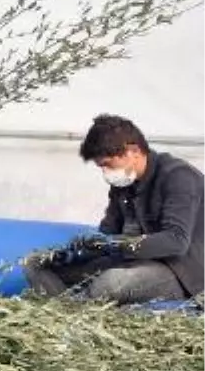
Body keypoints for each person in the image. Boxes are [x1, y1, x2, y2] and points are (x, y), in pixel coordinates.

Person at [24, 115, 205, 304]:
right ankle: (63, 311)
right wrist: (82, 248)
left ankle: (72, 315)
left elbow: (176, 241)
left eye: (107, 164)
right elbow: (108, 232)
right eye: (100, 167)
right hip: (133, 260)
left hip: (179, 270)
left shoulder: (178, 177)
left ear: (133, 151)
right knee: (36, 263)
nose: (105, 172)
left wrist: (115, 244)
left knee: (110, 284)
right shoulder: (122, 184)